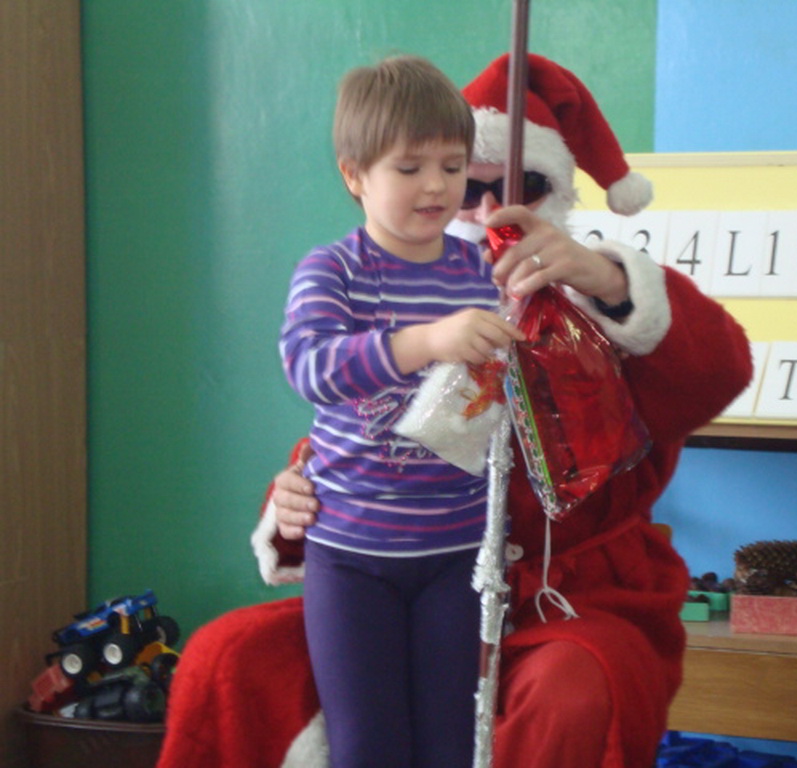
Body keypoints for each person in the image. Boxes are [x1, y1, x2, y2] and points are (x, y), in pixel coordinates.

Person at [157, 54, 753, 768]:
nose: (475, 207)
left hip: (561, 594)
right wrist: (290, 497)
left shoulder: (580, 296)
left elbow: (717, 371)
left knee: (552, 700)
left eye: (515, 185)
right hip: (382, 558)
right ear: (359, 176)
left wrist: (602, 276)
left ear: (557, 190)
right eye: (463, 183)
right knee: (230, 659)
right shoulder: (378, 275)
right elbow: (357, 414)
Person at [280, 54, 527, 768]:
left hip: (459, 558)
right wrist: (427, 341)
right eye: (410, 167)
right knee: (367, 748)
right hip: (350, 559)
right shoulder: (332, 269)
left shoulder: (484, 273)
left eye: (453, 167)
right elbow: (310, 368)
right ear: (354, 175)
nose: (437, 186)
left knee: (453, 744)